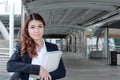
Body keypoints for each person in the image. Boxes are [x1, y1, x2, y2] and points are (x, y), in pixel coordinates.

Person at [7, 13, 66, 80]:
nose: (37, 31)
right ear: (27, 30)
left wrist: (45, 77)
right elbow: (10, 65)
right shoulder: (23, 46)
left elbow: (62, 71)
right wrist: (38, 69)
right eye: (32, 27)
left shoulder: (53, 47)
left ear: (44, 27)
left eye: (40, 26)